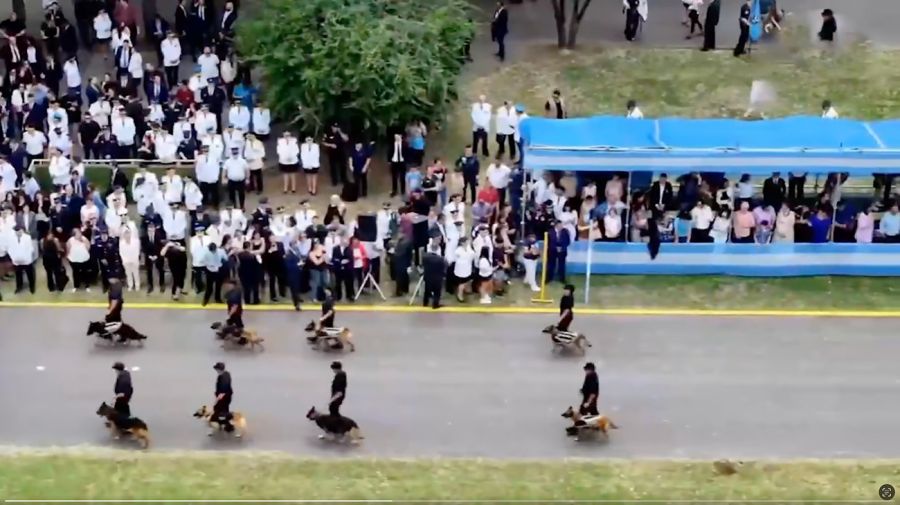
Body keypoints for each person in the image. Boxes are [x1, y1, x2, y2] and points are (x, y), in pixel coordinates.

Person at [422, 244, 446, 309]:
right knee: (437, 292)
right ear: (438, 250)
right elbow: (443, 269)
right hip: (437, 278)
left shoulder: (425, 257)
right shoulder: (441, 259)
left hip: (428, 277)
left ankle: (425, 303)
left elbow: (423, 265)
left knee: (427, 291)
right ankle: (435, 304)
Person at [212, 362, 234, 433]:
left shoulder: (222, 377)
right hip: (228, 397)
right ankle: (226, 425)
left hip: (223, 398)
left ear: (219, 369)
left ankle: (227, 426)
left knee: (218, 411)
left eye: (217, 369)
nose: (216, 370)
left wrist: (217, 399)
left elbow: (223, 389)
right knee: (224, 412)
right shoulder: (227, 374)